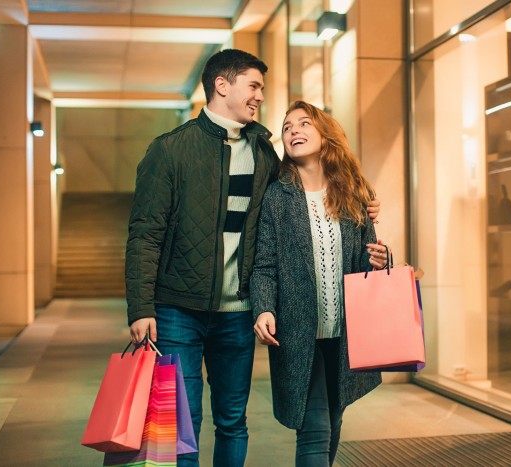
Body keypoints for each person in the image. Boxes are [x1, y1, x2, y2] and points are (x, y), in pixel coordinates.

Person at [125, 50, 380, 467]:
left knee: (232, 422)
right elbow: (144, 235)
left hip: (237, 313)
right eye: (254, 85)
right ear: (222, 85)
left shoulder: (264, 154)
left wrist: (365, 203)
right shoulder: (170, 151)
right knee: (181, 423)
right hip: (177, 309)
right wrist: (141, 307)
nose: (260, 96)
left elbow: (312, 195)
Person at [251, 100, 389, 466]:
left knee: (333, 419)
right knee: (314, 430)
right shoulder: (277, 197)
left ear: (325, 134)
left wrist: (380, 260)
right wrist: (264, 307)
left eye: (304, 123)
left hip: (345, 333)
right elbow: (264, 264)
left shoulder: (353, 193)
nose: (293, 130)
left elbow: (365, 263)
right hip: (298, 334)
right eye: (287, 126)